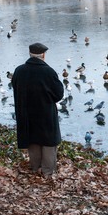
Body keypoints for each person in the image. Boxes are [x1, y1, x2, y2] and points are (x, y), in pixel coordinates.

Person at [12, 43, 64, 177]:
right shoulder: (49, 72)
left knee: (33, 140)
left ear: (30, 54)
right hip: (45, 113)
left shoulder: (19, 71)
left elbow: (15, 87)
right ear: (43, 55)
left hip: (26, 113)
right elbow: (59, 94)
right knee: (48, 143)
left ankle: (35, 168)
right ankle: (47, 172)